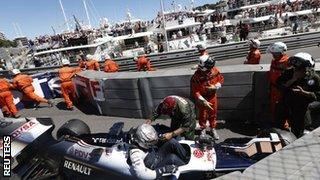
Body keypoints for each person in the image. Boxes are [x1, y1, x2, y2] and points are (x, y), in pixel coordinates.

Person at [275, 52, 320, 138]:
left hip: (301, 108)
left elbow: (318, 95)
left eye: (299, 69)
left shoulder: (314, 78)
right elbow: (279, 85)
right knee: (278, 127)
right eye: (295, 68)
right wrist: (292, 79)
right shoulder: (289, 73)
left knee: (297, 131)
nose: (296, 70)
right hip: (286, 104)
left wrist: (304, 93)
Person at [191, 55, 224, 140]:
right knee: (203, 115)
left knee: (213, 114)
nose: (211, 68)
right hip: (202, 99)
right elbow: (195, 91)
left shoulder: (214, 70)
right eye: (209, 67)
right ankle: (203, 129)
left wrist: (216, 86)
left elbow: (221, 79)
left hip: (212, 97)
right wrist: (202, 100)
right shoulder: (196, 76)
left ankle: (213, 128)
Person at [267, 42, 290, 126]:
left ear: (280, 52)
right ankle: (274, 122)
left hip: (282, 90)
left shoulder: (288, 61)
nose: (272, 55)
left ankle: (284, 126)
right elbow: (271, 74)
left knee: (282, 108)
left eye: (274, 53)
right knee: (273, 106)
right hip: (273, 88)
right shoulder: (273, 61)